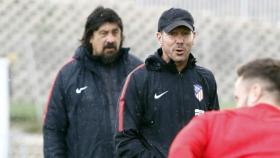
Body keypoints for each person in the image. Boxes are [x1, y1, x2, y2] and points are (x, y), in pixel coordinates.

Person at [115, 8, 219, 157]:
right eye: (172, 34)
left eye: (185, 34)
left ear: (194, 36)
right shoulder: (138, 79)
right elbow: (125, 141)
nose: (180, 41)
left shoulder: (206, 79)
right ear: (159, 37)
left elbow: (215, 134)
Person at [43, 6, 142, 158]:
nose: (111, 39)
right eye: (104, 33)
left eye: (115, 32)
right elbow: (53, 129)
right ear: (90, 37)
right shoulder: (67, 75)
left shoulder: (138, 72)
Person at [169, 58, 280, 158]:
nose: (238, 106)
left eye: (238, 97)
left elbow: (179, 151)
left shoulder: (210, 123)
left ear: (255, 92)